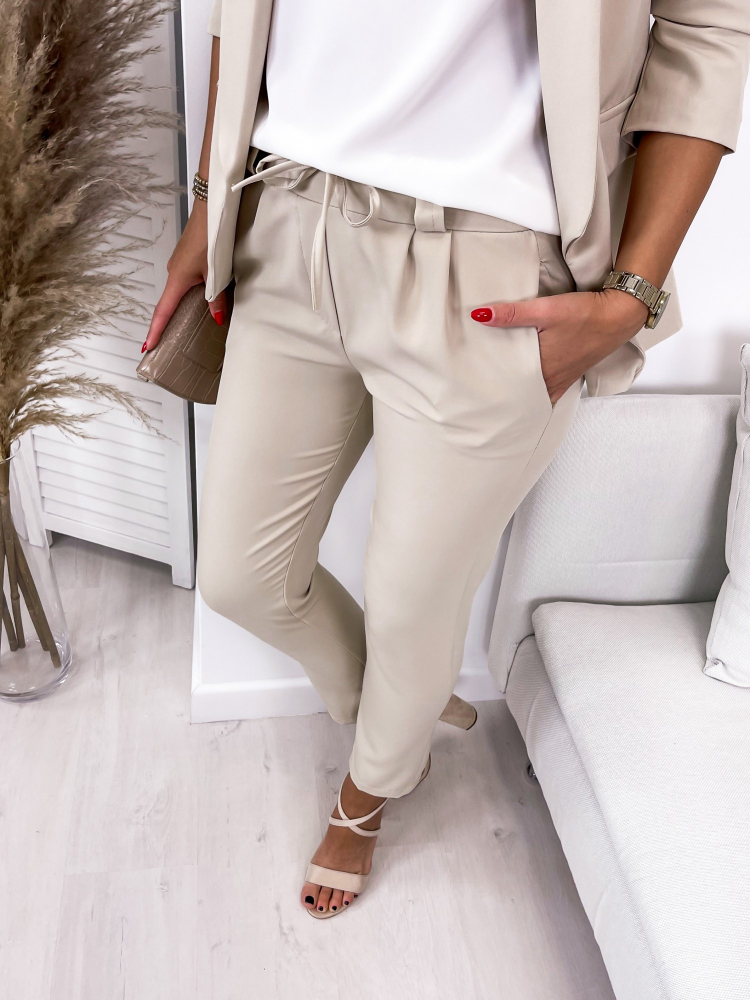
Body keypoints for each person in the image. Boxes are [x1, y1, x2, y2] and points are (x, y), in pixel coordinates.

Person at [147, 0, 750, 918]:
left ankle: (369, 791)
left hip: (490, 261)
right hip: (288, 212)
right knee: (241, 575)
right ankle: (400, 705)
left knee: (411, 603)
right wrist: (208, 201)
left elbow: (707, 27)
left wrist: (634, 293)